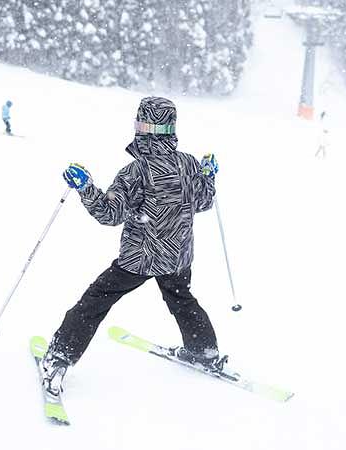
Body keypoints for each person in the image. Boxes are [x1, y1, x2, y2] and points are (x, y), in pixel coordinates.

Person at [40, 97, 224, 396]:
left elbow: (109, 214)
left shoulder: (135, 172)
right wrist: (207, 175)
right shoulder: (188, 163)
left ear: (142, 128)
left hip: (141, 258)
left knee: (96, 301)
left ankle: (60, 357)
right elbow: (203, 201)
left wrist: (85, 188)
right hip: (178, 256)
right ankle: (203, 350)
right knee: (181, 299)